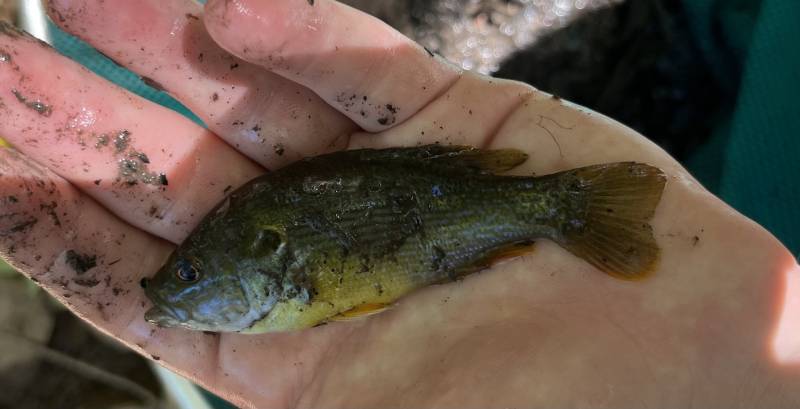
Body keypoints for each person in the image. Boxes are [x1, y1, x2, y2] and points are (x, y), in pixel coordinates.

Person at [0, 0, 798, 407]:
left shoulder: (289, 281)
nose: (179, 287)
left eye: (194, 272)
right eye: (190, 272)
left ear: (266, 259)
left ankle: (581, 191)